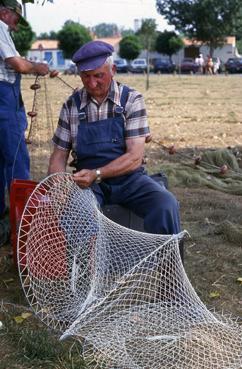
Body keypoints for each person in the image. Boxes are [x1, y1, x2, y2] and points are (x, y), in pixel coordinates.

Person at [48, 40, 181, 235]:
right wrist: (58, 188)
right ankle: (86, 265)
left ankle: (167, 263)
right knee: (77, 213)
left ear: (113, 70)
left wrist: (98, 173)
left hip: (130, 180)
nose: (92, 84)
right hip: (88, 184)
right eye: (86, 77)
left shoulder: (132, 100)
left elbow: (134, 157)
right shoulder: (71, 106)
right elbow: (58, 157)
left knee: (166, 204)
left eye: (99, 76)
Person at [0, 0, 50, 246]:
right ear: (4, 12)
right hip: (4, 102)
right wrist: (37, 67)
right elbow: (17, 64)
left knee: (2, 161)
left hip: (7, 99)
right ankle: (23, 226)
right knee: (16, 159)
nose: (16, 25)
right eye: (16, 19)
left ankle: (4, 221)